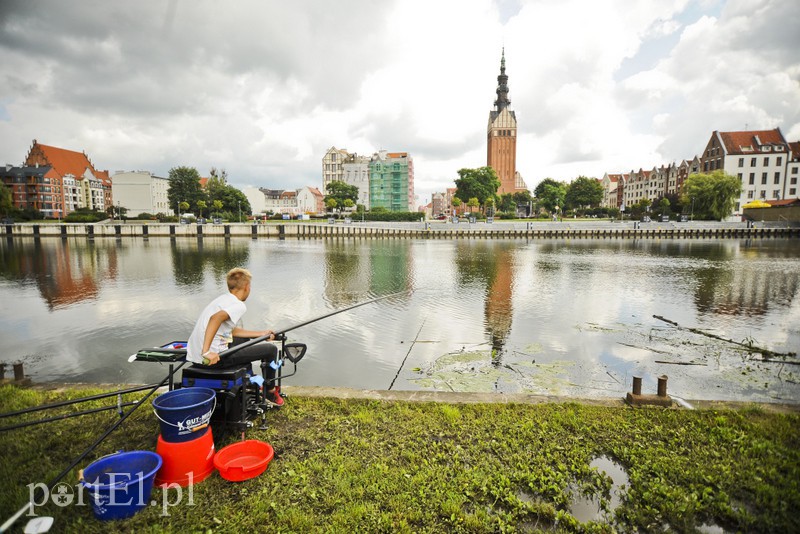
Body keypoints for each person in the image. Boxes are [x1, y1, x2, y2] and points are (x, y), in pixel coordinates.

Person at [187, 267, 283, 407]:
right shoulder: (239, 305)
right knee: (270, 350)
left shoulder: (222, 300)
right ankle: (269, 390)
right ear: (246, 287)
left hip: (194, 357)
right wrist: (206, 352)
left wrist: (262, 334)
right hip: (213, 359)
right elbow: (216, 319)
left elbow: (229, 331)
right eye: (250, 287)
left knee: (243, 340)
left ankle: (251, 381)